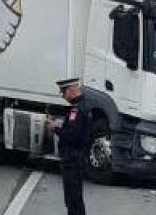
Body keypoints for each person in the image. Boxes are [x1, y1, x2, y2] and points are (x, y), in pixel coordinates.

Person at [48, 78, 89, 215]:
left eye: (64, 92)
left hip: (72, 160)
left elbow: (71, 136)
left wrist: (55, 128)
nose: (63, 96)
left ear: (72, 90)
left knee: (73, 201)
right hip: (77, 159)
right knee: (75, 200)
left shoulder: (76, 110)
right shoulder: (83, 106)